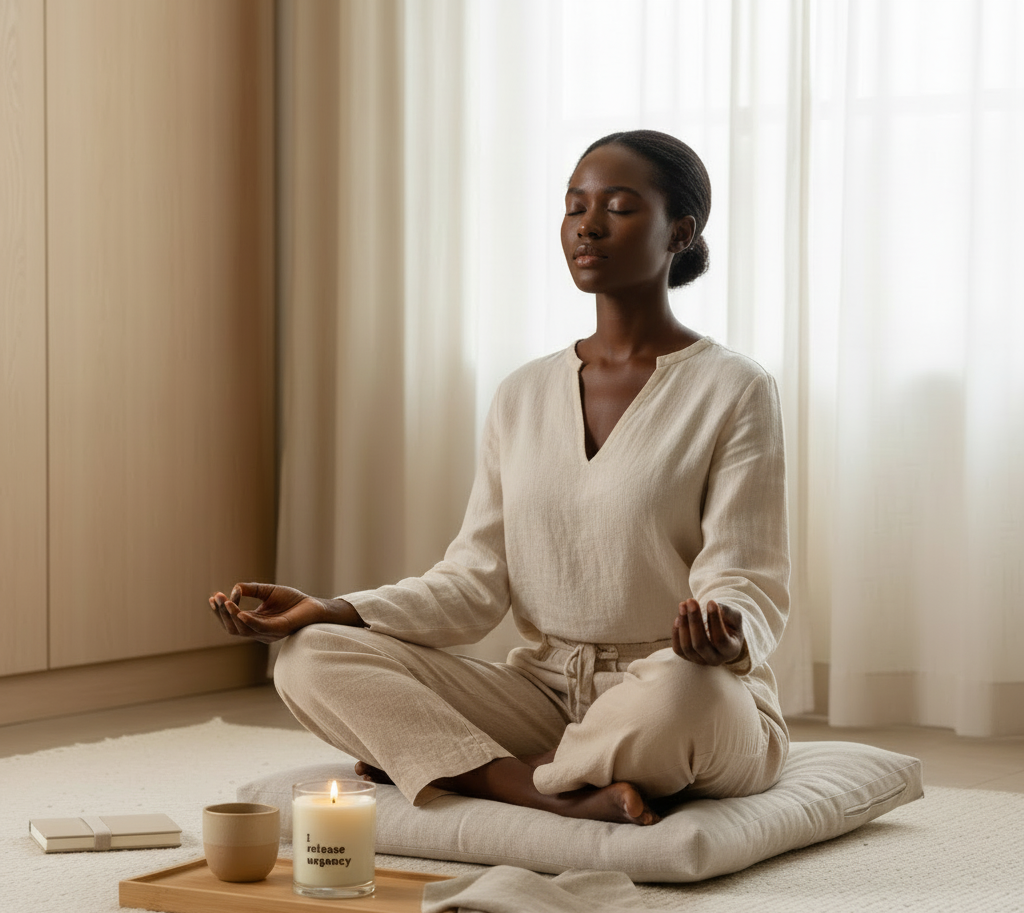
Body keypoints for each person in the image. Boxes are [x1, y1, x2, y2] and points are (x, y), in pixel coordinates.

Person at [210, 129, 790, 827]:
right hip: (540, 696)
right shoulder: (522, 394)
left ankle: (449, 761)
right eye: (574, 207)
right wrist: (330, 610)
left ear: (681, 232)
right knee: (308, 658)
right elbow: (473, 582)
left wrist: (725, 638)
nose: (589, 226)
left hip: (676, 687)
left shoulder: (734, 388)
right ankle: (533, 786)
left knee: (683, 698)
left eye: (620, 207)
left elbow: (746, 575)